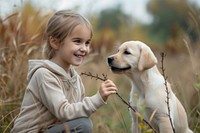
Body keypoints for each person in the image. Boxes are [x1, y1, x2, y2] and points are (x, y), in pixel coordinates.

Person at [11, 10, 118, 133]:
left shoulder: (74, 78)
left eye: (87, 43)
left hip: (50, 129)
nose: (84, 48)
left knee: (83, 122)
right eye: (77, 41)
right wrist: (98, 98)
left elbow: (77, 114)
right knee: (83, 125)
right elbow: (64, 112)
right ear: (55, 42)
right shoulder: (44, 75)